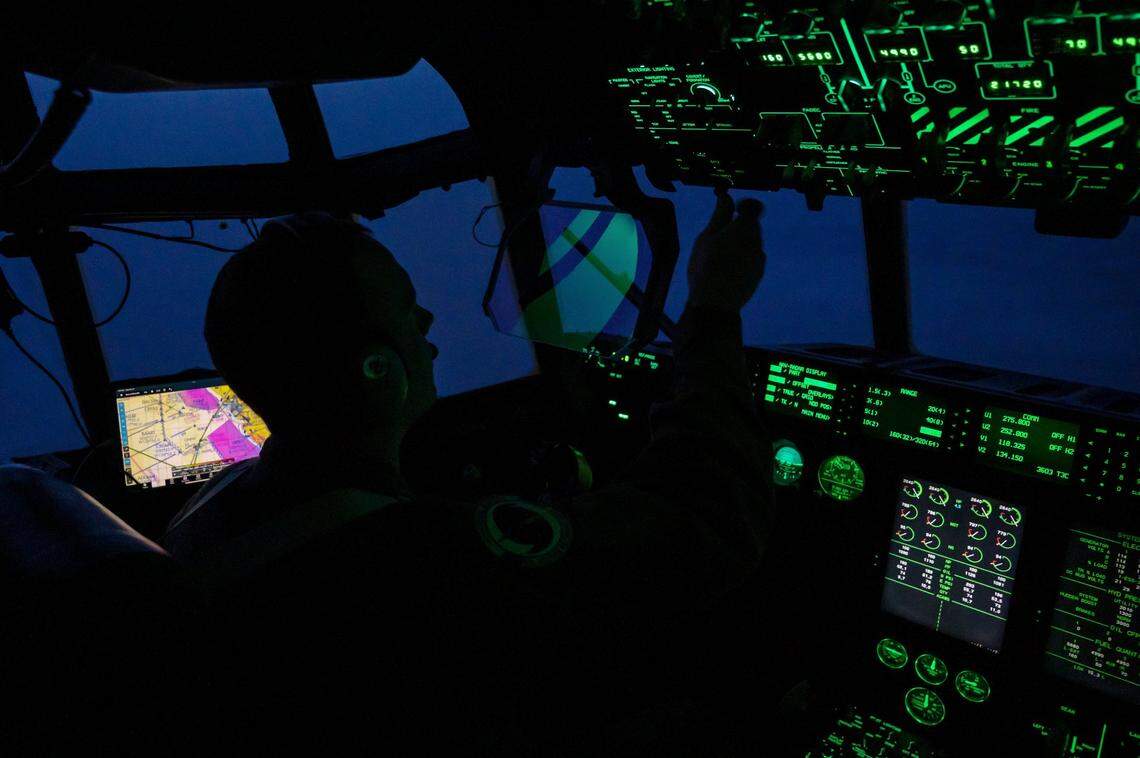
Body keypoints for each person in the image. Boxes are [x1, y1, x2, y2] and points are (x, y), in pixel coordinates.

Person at [163, 194, 771, 753]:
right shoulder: (424, 557)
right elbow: (703, 518)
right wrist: (714, 311)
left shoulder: (210, 511)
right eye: (406, 306)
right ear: (378, 370)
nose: (426, 321)